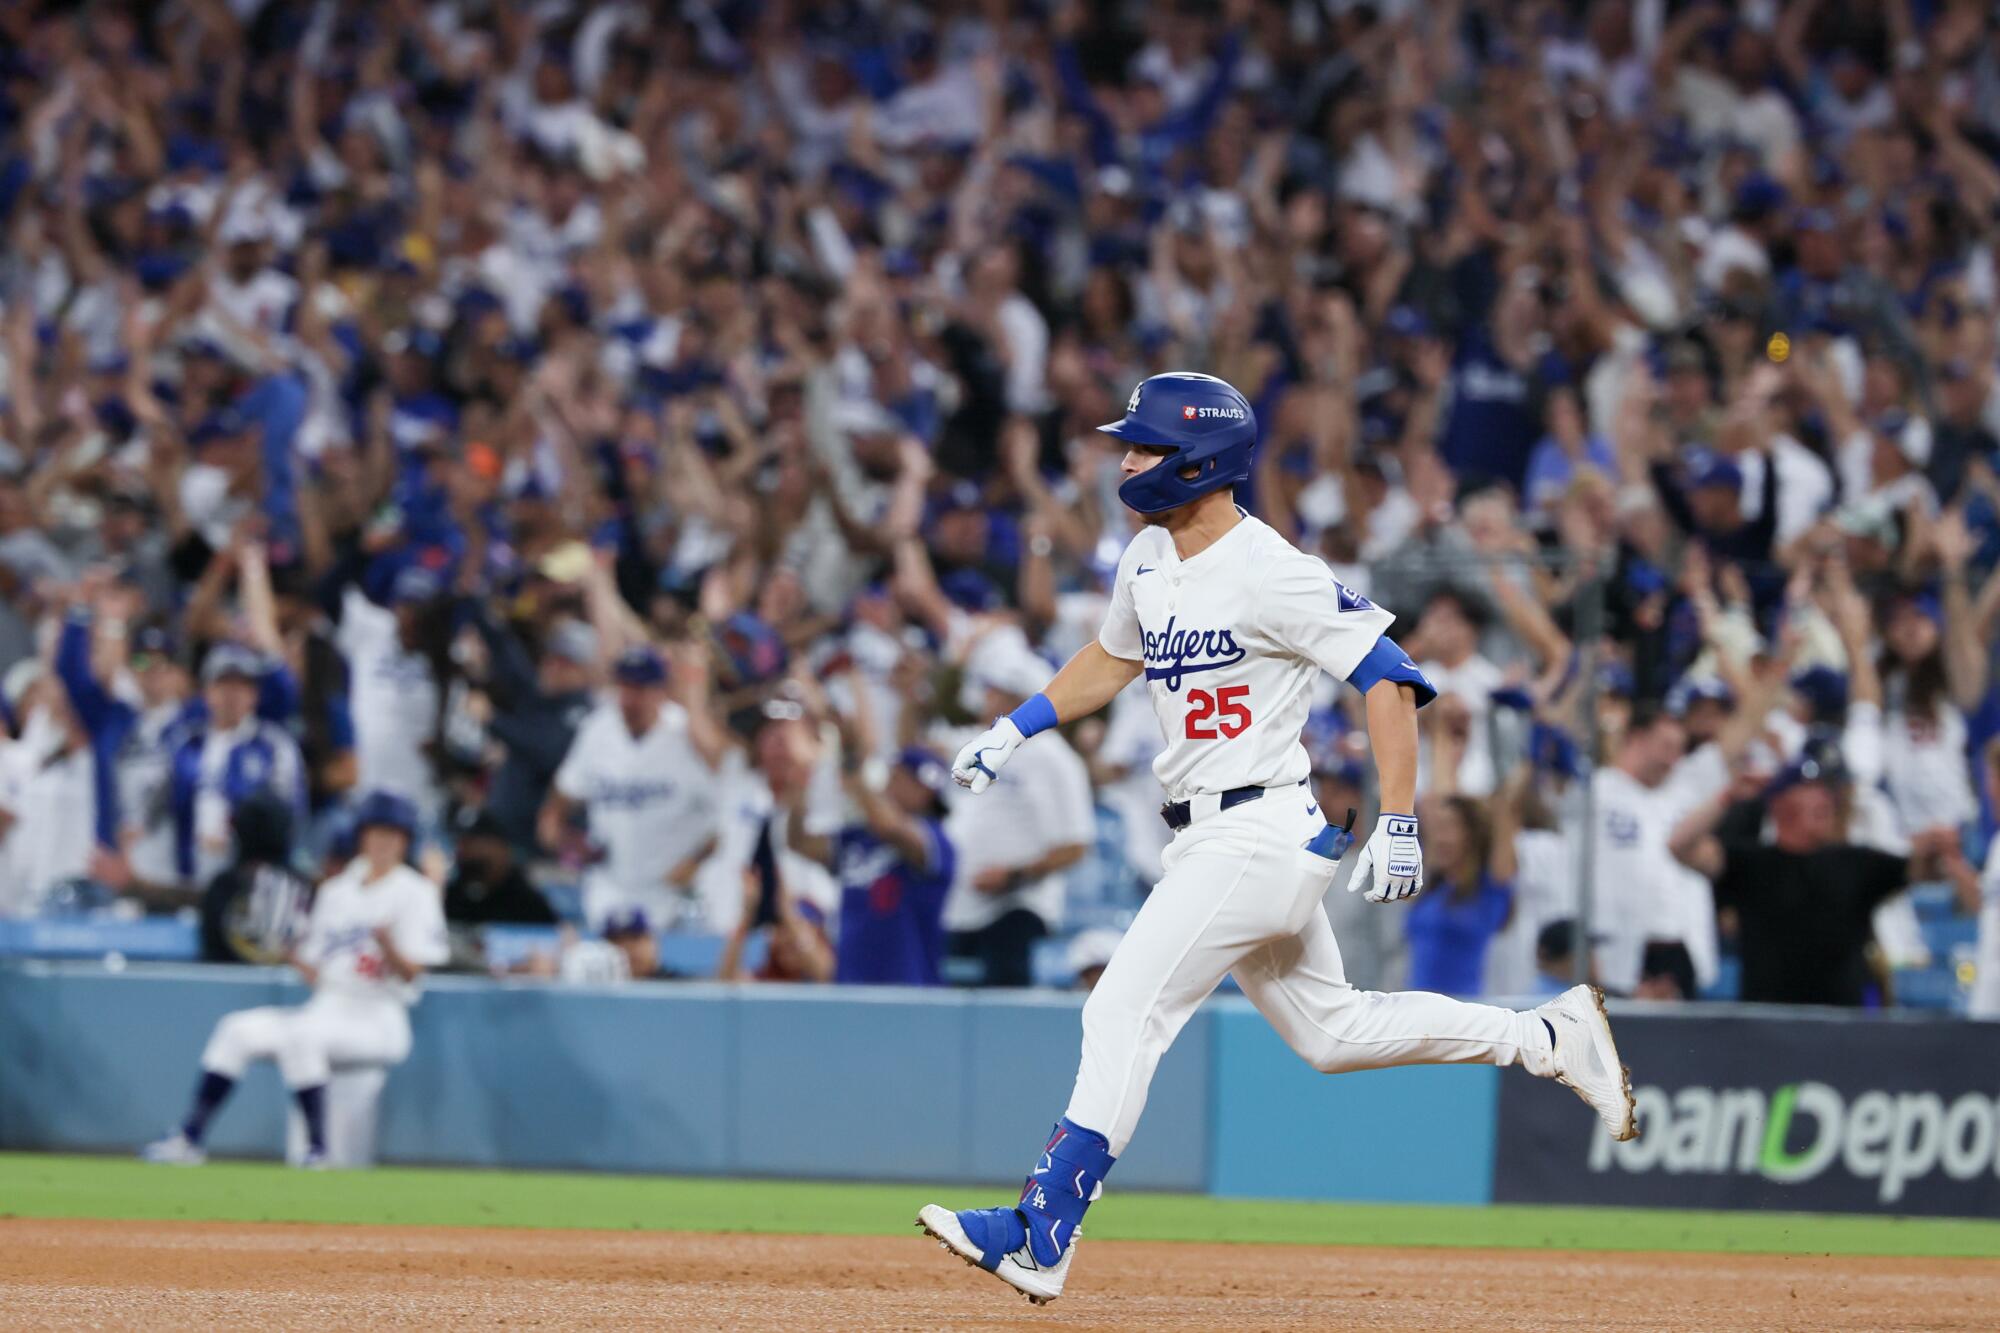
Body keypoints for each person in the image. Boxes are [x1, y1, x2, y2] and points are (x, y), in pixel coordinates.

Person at [917, 372, 1636, 1306]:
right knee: (1334, 1032)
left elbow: (1387, 673)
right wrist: (1016, 726)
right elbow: (1111, 657)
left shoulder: (1272, 567)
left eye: (1145, 447)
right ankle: (1545, 1034)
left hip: (1255, 829)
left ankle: (1042, 1227)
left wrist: (1402, 814)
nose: (1127, 460)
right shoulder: (1145, 555)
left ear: (1200, 460)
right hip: (1213, 837)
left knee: (1122, 1010)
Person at [141, 791, 447, 1167]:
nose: (383, 842)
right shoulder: (336, 891)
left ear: (405, 840)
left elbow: (415, 972)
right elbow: (320, 976)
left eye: (393, 834)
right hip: (328, 1006)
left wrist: (388, 946)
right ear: (361, 836)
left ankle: (318, 1150)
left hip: (381, 1016)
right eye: (376, 832)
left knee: (303, 1037)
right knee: (236, 1029)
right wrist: (289, 953)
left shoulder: (416, 892)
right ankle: (189, 1138)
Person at [1668, 758, 1922, 1007]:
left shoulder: (1857, 863)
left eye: (1826, 791)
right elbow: (1680, 845)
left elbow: (1921, 869)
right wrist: (1728, 795)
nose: (1824, 798)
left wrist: (1934, 844)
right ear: (1780, 803)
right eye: (1810, 789)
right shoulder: (1750, 863)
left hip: (1842, 1029)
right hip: (1766, 1027)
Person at [539, 645, 725, 930]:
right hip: (609, 887)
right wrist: (563, 839)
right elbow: (561, 798)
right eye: (624, 686)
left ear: (661, 690)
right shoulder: (597, 730)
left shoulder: (687, 734)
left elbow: (725, 817)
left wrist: (695, 863)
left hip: (672, 895)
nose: (629, 698)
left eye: (639, 688)